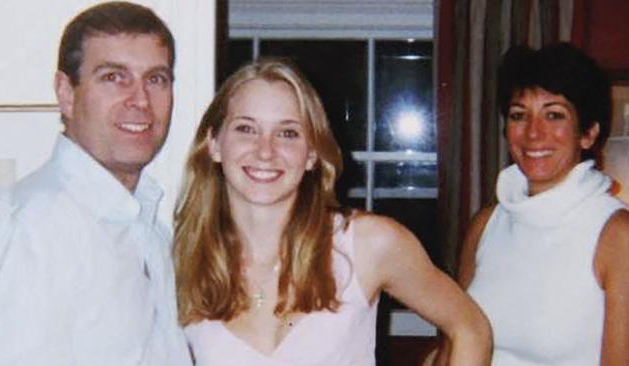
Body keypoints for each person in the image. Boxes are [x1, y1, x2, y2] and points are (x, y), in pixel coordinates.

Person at [173, 58, 492, 365]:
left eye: (288, 133)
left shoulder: (367, 243)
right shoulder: (179, 260)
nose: (265, 150)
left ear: (311, 153)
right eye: (246, 129)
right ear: (214, 144)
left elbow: (470, 328)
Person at [0, 2, 191, 365]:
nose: (140, 100)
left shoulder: (148, 228)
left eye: (155, 79)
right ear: (66, 92)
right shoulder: (37, 228)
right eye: (113, 77)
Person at [454, 43, 629, 365]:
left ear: (588, 133)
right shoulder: (486, 225)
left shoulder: (616, 235)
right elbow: (455, 344)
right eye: (519, 115)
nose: (534, 133)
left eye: (554, 115)